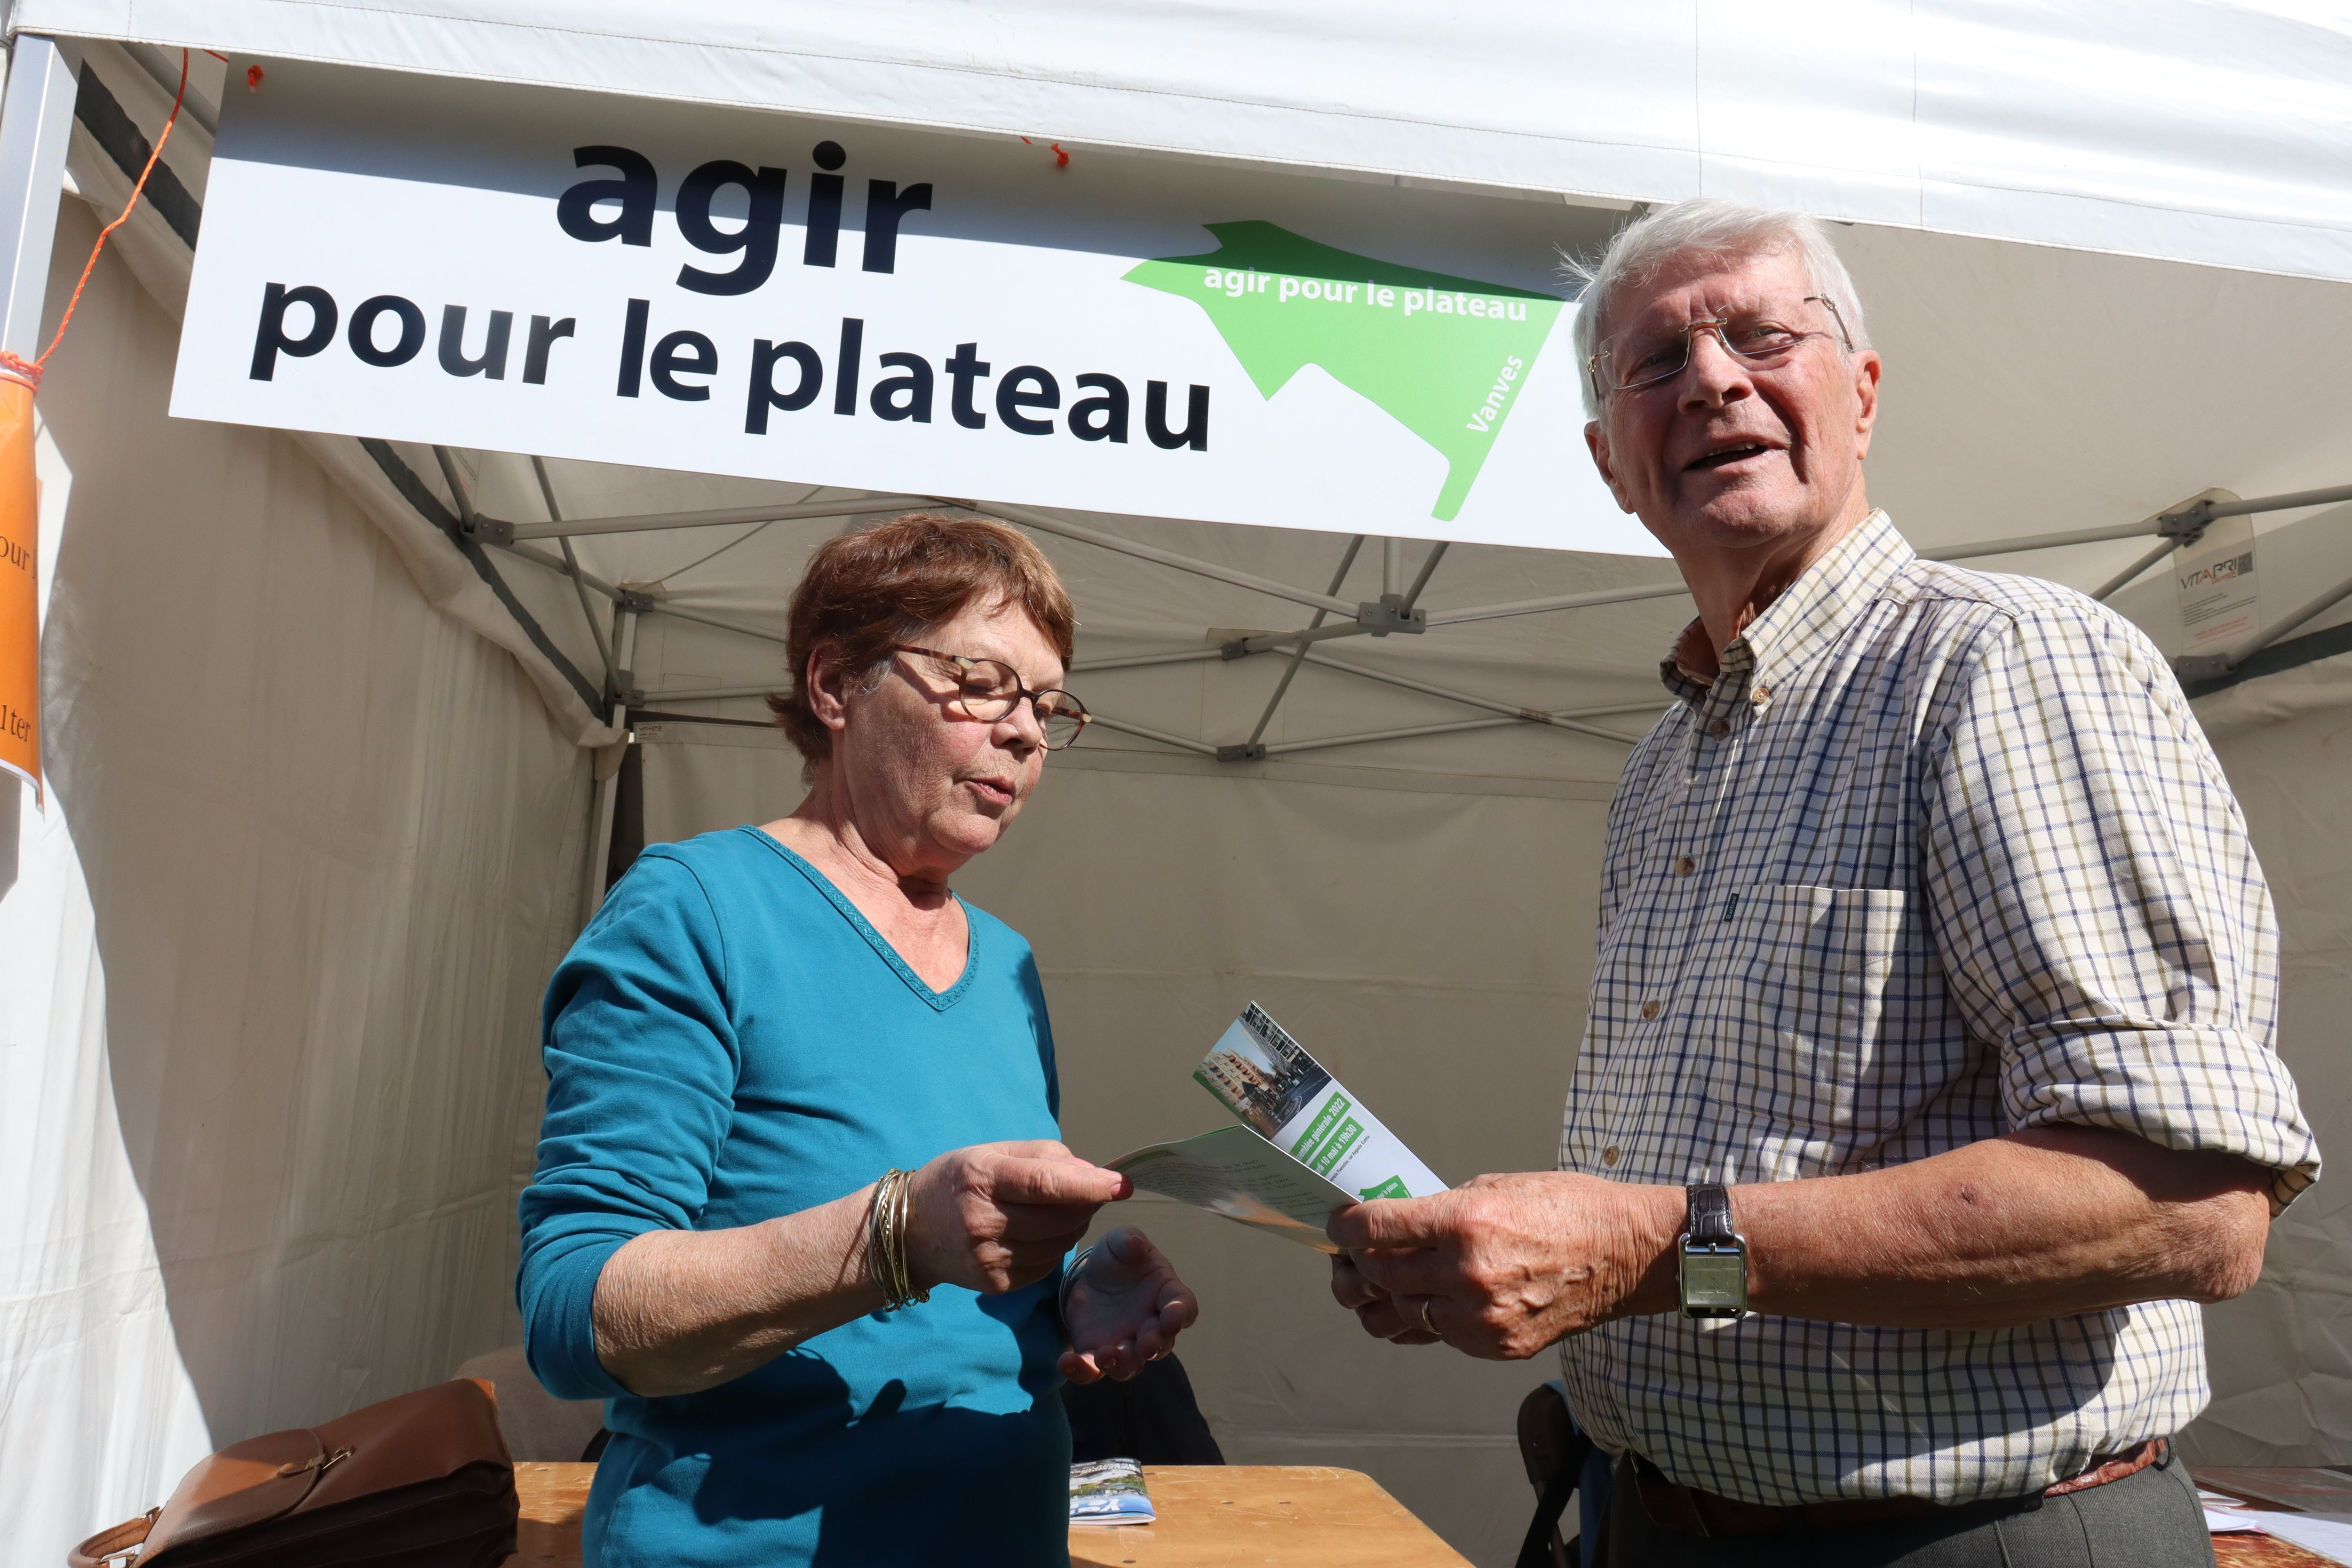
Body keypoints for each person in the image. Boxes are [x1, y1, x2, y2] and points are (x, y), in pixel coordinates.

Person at [1325, 200, 2320, 1566]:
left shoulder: (2001, 665)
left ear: (1861, 391)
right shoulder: (1666, 761)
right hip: (1659, 1521)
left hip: (1981, 1539)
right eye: (1657, 362)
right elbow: (1703, 1211)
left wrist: (1650, 1250)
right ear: (1612, 461)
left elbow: (2191, 1204)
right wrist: (1517, 1259)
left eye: (1760, 335)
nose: (1716, 380)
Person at [517, 512, 1199, 1568]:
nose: (1023, 731)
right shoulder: (696, 909)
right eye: (981, 680)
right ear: (835, 685)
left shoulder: (1005, 959)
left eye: (1047, 705)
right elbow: (575, 1312)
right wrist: (893, 1235)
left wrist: (1062, 1293)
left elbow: (951, 1268)